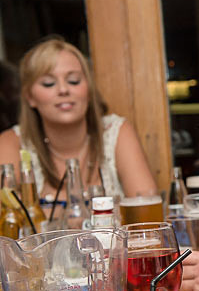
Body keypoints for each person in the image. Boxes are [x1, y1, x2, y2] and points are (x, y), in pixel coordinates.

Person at [0, 38, 156, 202]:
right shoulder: (11, 143)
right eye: (49, 83)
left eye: (73, 80)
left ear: (88, 90)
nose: (63, 89)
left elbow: (146, 209)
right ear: (30, 97)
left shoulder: (116, 132)